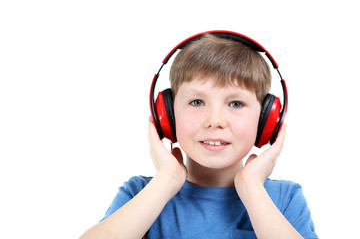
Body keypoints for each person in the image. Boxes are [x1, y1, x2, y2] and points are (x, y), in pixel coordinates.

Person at [79, 32, 318, 239]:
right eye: (196, 102)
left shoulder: (285, 198)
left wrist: (251, 186)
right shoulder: (140, 194)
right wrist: (168, 179)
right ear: (167, 114)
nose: (215, 120)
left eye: (235, 103)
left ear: (267, 120)